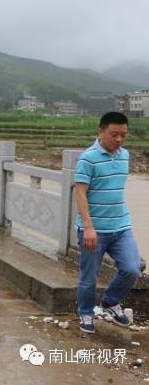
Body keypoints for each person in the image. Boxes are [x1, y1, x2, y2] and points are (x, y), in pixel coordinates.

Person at [74, 111, 141, 334]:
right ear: (100, 132)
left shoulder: (125, 155)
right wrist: (89, 227)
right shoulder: (87, 158)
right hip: (94, 230)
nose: (119, 140)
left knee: (132, 269)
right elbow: (81, 194)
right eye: (114, 134)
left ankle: (111, 302)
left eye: (124, 135)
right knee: (89, 277)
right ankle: (85, 312)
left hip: (121, 226)